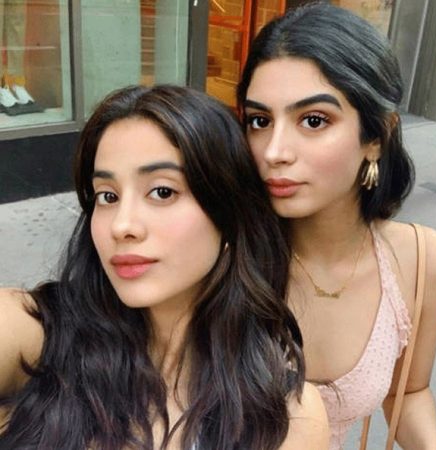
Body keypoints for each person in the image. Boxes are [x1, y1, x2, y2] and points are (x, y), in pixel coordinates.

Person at [0, 85, 328, 449]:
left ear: (230, 215)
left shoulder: (289, 418)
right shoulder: (41, 334)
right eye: (107, 196)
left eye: (162, 192)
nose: (122, 225)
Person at [237, 3, 436, 449]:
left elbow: (408, 392)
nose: (274, 151)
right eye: (259, 121)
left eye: (313, 120)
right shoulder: (220, 253)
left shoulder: (422, 262)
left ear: (377, 137)